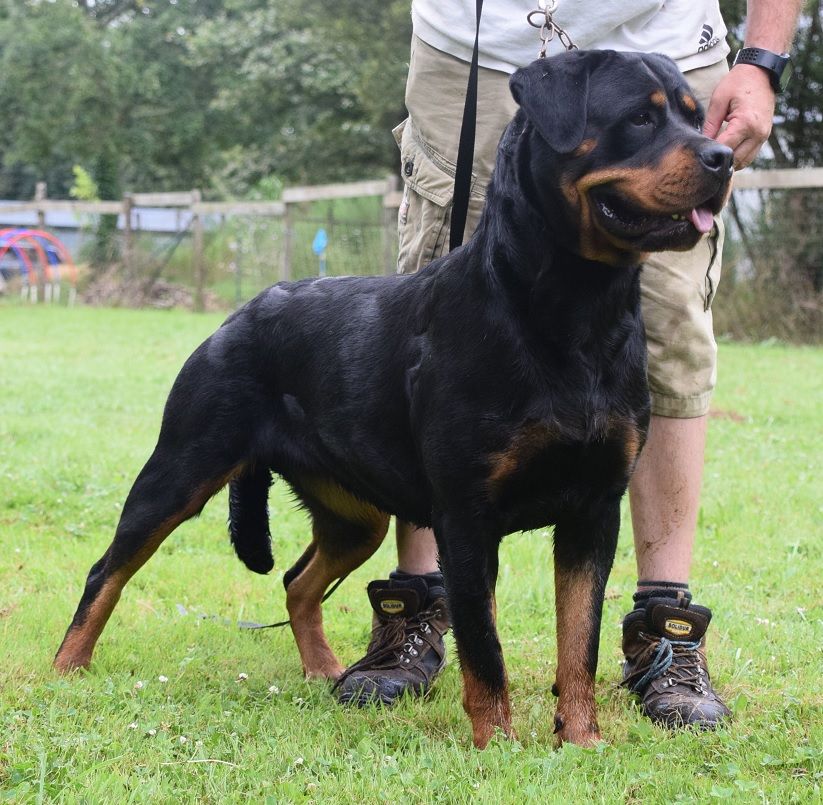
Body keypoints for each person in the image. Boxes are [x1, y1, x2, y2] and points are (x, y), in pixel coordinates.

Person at [334, 0, 801, 728]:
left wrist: (761, 57)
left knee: (669, 330)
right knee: (441, 323)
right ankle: (419, 605)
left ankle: (663, 625)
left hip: (665, 30)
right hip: (474, 41)